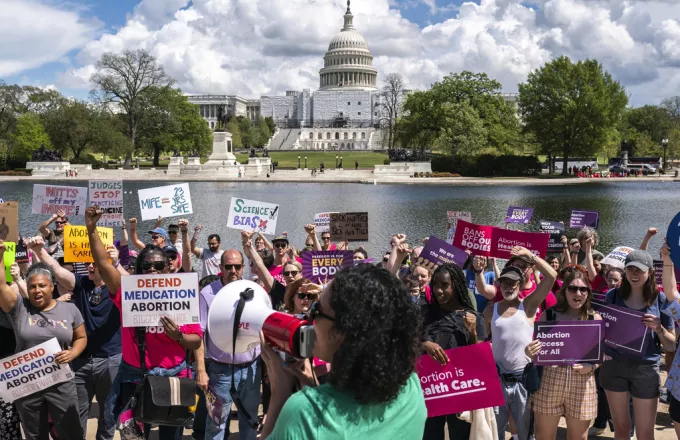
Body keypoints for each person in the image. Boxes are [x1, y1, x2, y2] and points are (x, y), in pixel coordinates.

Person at [259, 264, 427, 438]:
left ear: (342, 331)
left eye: (316, 310)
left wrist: (280, 393)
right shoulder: (410, 387)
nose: (308, 317)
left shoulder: (303, 413)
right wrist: (313, 388)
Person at [85, 207, 203, 440]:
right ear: (138, 270)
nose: (152, 270)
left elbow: (196, 340)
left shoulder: (182, 295)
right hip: (134, 376)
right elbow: (104, 265)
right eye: (146, 266)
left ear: (167, 268)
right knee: (133, 437)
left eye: (158, 266)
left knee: (171, 435)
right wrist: (91, 230)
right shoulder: (128, 292)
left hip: (173, 376)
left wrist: (178, 337)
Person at [25, 235, 125, 440]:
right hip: (80, 361)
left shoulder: (118, 288)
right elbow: (58, 270)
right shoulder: (81, 284)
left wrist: (116, 263)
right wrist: (39, 251)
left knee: (108, 413)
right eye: (88, 263)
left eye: (95, 263)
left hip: (111, 360)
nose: (90, 267)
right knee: (76, 414)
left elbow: (132, 284)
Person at [0, 246, 87, 440]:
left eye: (42, 286)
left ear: (52, 286)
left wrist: (73, 353)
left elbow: (81, 337)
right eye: (32, 287)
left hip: (61, 383)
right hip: (28, 385)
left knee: (71, 433)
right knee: (34, 435)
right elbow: (1, 288)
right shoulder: (20, 308)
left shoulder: (69, 309)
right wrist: (0, 257)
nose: (37, 290)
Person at [598, 249, 675, 440]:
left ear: (649, 272)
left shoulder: (660, 299)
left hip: (646, 368)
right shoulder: (612, 296)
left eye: (639, 270)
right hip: (614, 364)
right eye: (630, 269)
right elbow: (601, 332)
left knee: (645, 432)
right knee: (621, 428)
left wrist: (659, 328)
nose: (634, 274)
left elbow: (671, 344)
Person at [485, 247, 557, 440]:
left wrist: (531, 256)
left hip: (522, 380)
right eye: (505, 283)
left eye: (513, 283)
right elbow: (484, 340)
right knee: (495, 431)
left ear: (520, 284)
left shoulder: (528, 306)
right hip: (498, 379)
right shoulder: (491, 310)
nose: (508, 287)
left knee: (524, 432)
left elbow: (551, 276)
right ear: (500, 284)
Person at [525, 270, 602, 440]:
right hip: (550, 380)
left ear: (588, 293)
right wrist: (529, 352)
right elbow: (537, 350)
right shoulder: (550, 315)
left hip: (582, 382)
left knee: (579, 438)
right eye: (573, 289)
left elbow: (600, 355)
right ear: (565, 290)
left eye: (583, 290)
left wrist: (591, 366)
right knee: (544, 436)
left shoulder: (593, 318)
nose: (578, 293)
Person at [196, 248, 261, 440]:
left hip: (251, 368)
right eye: (228, 266)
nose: (233, 270)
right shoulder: (207, 293)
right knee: (216, 424)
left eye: (237, 266)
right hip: (220, 370)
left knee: (250, 422)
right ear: (220, 267)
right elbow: (199, 333)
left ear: (242, 268)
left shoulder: (254, 291)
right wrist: (201, 370)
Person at [422, 264, 485, 440]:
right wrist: (424, 344)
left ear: (456, 286)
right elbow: (407, 344)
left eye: (444, 285)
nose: (438, 290)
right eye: (435, 285)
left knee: (460, 436)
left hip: (459, 391)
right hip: (430, 391)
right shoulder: (424, 314)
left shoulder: (473, 317)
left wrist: (472, 332)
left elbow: (480, 358)